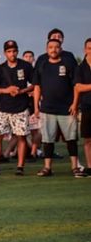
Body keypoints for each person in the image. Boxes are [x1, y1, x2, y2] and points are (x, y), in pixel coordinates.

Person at [33, 38, 80, 177]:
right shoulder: (42, 65)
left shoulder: (68, 64)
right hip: (47, 109)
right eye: (50, 47)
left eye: (56, 47)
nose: (53, 49)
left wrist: (75, 104)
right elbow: (37, 87)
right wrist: (36, 106)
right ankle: (47, 168)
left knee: (71, 139)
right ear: (47, 49)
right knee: (48, 140)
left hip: (66, 108)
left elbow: (76, 86)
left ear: (60, 49)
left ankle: (75, 167)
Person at [0, 40, 33, 176]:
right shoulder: (0, 68)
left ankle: (20, 166)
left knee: (21, 137)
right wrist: (7, 90)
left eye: (14, 51)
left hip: (21, 107)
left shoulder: (25, 66)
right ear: (5, 53)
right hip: (3, 108)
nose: (12, 54)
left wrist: (22, 91)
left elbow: (34, 84)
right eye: (9, 51)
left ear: (17, 51)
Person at [72, 38, 91, 176]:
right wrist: (74, 104)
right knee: (88, 139)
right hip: (87, 106)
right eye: (89, 48)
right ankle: (90, 166)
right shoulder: (80, 68)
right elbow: (78, 87)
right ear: (85, 49)